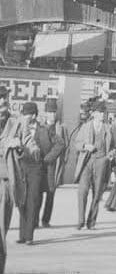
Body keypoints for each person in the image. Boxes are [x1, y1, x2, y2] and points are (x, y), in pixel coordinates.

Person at [17, 101, 64, 244]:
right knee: (21, 202)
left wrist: (47, 159)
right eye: (24, 114)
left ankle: (29, 237)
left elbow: (60, 143)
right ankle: (22, 235)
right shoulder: (17, 128)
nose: (26, 117)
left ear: (34, 115)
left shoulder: (44, 129)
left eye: (29, 114)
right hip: (20, 168)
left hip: (37, 169)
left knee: (32, 200)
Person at [75, 99, 113, 230]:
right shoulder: (85, 127)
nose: (103, 115)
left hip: (101, 162)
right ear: (94, 113)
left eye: (104, 112)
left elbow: (115, 147)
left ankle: (91, 222)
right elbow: (76, 144)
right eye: (101, 112)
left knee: (97, 193)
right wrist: (85, 146)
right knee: (83, 191)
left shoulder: (108, 128)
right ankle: (80, 220)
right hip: (87, 161)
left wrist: (110, 156)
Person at [0, 86, 22, 273]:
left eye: (4, 102)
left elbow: (31, 145)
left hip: (5, 184)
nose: (2, 105)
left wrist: (22, 147)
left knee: (1, 233)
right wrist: (7, 144)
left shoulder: (16, 124)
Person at [37, 97, 68, 228]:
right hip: (40, 163)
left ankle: (45, 220)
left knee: (51, 192)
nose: (52, 114)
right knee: (37, 192)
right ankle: (34, 218)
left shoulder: (61, 127)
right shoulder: (40, 126)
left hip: (53, 165)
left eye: (54, 111)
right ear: (45, 112)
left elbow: (65, 145)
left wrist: (62, 162)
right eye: (50, 111)